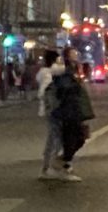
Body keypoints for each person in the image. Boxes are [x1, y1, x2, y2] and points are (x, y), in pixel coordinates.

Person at [43, 48, 92, 182]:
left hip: (76, 110)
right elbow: (64, 88)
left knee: (79, 137)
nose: (76, 55)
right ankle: (60, 165)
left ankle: (61, 163)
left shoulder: (74, 70)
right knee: (69, 139)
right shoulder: (64, 71)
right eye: (73, 54)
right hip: (68, 111)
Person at [38, 50, 65, 180]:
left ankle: (47, 166)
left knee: (53, 138)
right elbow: (44, 92)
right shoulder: (49, 74)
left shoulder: (45, 73)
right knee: (56, 139)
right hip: (53, 110)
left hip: (51, 110)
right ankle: (50, 167)